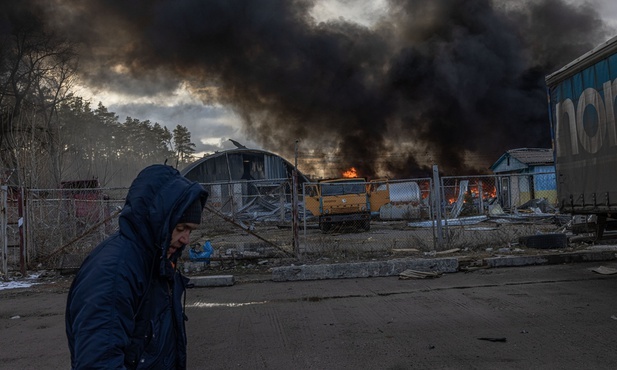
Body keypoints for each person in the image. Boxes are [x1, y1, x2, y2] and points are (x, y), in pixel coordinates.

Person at [65, 164, 208, 369]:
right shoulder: (113, 274)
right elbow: (99, 363)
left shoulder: (156, 262)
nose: (186, 239)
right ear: (158, 220)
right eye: (180, 228)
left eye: (191, 231)